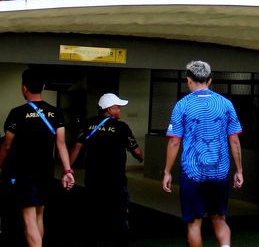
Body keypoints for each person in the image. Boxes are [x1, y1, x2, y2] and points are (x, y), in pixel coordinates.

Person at [163, 60, 243, 247]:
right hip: (220, 171)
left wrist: (167, 171)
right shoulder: (226, 104)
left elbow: (174, 141)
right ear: (210, 80)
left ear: (189, 80)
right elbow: (234, 140)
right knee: (219, 219)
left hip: (192, 172)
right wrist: (239, 170)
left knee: (194, 223)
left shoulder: (182, 105)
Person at [0, 68, 75, 247]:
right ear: (42, 87)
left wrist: (0, 165)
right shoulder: (55, 113)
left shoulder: (17, 113)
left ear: (24, 88)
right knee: (39, 216)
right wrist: (67, 170)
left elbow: (7, 145)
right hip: (46, 172)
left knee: (28, 220)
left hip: (24, 172)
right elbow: (61, 144)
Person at [69, 93, 144, 247]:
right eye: (117, 107)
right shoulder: (122, 127)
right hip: (116, 180)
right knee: (119, 214)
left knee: (92, 213)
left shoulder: (88, 124)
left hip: (93, 179)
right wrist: (141, 159)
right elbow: (135, 151)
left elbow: (77, 147)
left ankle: (90, 240)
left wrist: (68, 169)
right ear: (109, 109)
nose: (120, 110)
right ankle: (120, 242)